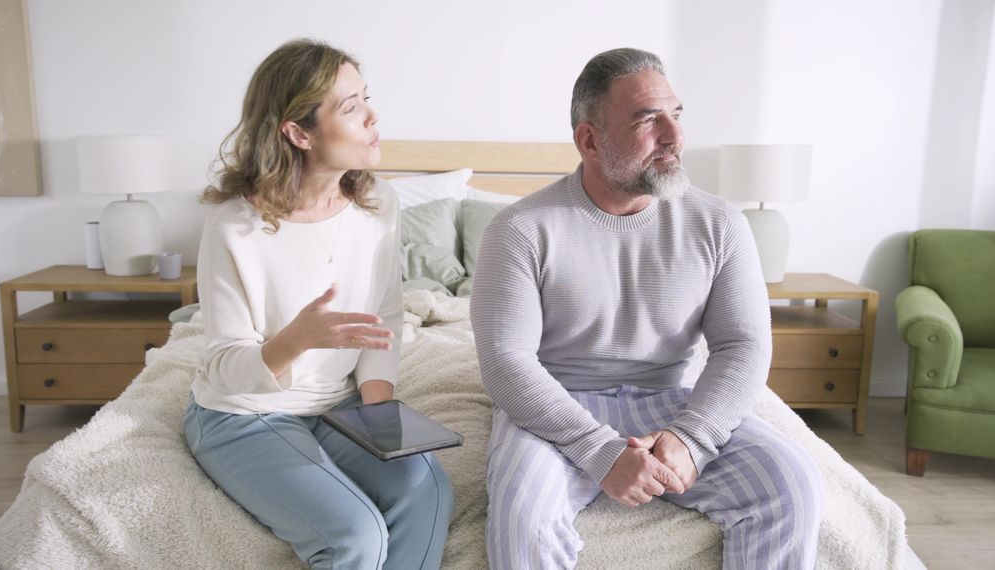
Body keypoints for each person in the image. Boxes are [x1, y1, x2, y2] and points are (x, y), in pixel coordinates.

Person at [470, 48, 822, 569]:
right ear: (589, 140)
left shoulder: (720, 222)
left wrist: (690, 438)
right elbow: (507, 362)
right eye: (646, 120)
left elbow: (743, 345)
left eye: (676, 115)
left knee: (792, 481)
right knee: (522, 516)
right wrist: (601, 452)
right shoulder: (520, 230)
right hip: (559, 405)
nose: (675, 137)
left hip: (675, 399)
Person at [184, 39, 453, 570]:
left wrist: (379, 407)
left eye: (366, 98)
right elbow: (222, 367)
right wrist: (296, 340)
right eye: (351, 107)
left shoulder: (379, 205)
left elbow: (386, 317)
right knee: (356, 535)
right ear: (298, 132)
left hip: (335, 407)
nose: (374, 116)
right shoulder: (235, 227)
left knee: (429, 490)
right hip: (243, 415)